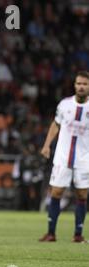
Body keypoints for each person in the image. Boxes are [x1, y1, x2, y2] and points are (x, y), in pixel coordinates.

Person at [39, 71, 89, 243]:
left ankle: (78, 235)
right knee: (57, 192)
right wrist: (46, 145)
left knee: (82, 195)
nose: (81, 87)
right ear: (75, 85)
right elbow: (56, 124)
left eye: (85, 84)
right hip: (62, 156)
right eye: (79, 83)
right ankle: (51, 233)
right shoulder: (64, 104)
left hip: (84, 158)